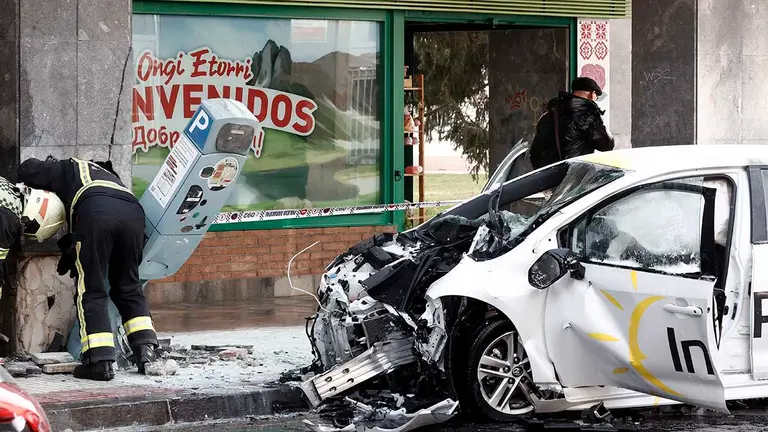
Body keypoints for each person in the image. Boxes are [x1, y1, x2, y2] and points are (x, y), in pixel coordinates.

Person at [17, 156, 159, 381]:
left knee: (91, 288)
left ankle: (99, 361)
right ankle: (145, 350)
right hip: (134, 213)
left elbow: (29, 169)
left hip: (96, 210)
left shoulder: (71, 167)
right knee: (128, 286)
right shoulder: (111, 177)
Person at [529, 77, 615, 170]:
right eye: (596, 96)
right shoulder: (588, 115)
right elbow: (606, 145)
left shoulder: (550, 114)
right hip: (575, 176)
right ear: (591, 94)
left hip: (549, 177)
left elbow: (535, 152)